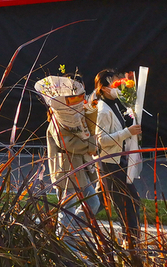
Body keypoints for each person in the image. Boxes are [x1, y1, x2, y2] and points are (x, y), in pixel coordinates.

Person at [35, 75, 101, 237]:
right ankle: (65, 243)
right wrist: (91, 144)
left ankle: (70, 234)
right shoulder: (58, 121)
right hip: (66, 172)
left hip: (80, 170)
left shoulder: (74, 118)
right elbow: (68, 144)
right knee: (67, 210)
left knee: (93, 202)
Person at [94, 69, 143, 248]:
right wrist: (127, 132)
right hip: (109, 162)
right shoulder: (103, 110)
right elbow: (101, 140)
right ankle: (130, 242)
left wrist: (132, 132)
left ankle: (70, 221)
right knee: (129, 201)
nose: (119, 86)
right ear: (105, 88)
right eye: (115, 84)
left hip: (118, 160)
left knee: (98, 201)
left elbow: (120, 133)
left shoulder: (116, 105)